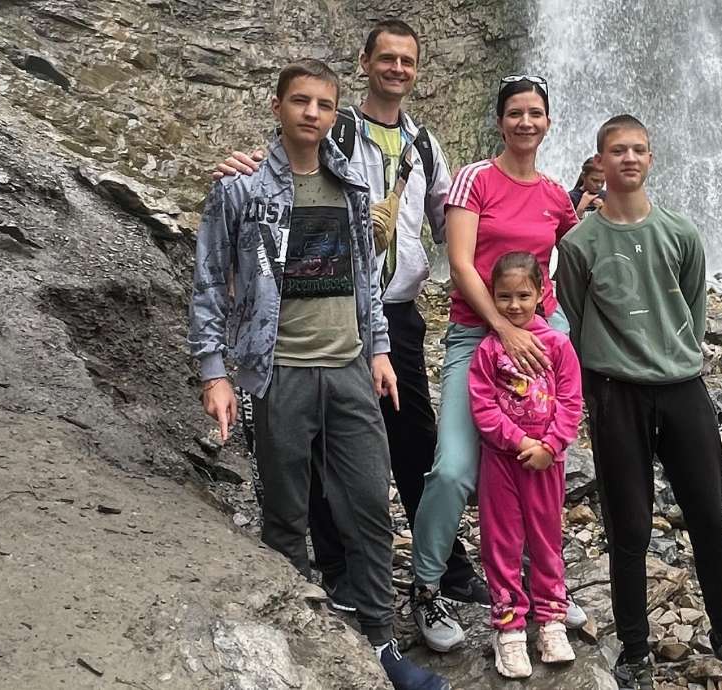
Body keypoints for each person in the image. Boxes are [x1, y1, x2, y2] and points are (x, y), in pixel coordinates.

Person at [188, 58, 448, 690]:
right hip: (278, 372)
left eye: (324, 104)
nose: (312, 113)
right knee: (284, 511)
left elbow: (366, 280)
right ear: (278, 107)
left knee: (369, 507)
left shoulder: (353, 186)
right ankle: (293, 639)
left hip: (350, 367)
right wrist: (214, 371)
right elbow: (209, 284)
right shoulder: (240, 189)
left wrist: (381, 349)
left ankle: (381, 643)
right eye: (300, 101)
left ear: (337, 113)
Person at [214, 20, 489, 611]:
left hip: (394, 315)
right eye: (386, 58)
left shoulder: (426, 145)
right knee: (310, 449)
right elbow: (284, 167)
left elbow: (451, 227)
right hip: (319, 312)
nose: (396, 69)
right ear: (364, 62)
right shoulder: (333, 128)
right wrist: (243, 166)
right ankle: (335, 566)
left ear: (417, 71)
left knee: (414, 440)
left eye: (407, 61)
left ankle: (439, 565)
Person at [555, 114, 722, 689]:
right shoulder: (577, 244)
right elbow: (576, 314)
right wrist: (605, 380)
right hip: (617, 393)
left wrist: (674, 356)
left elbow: (692, 307)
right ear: (601, 162)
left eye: (638, 149)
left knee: (709, 516)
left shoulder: (682, 234)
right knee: (629, 525)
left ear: (651, 158)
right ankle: (635, 650)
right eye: (618, 150)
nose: (629, 159)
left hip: (683, 388)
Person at [409, 75, 587, 652]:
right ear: (500, 120)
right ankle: (426, 586)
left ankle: (546, 591)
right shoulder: (475, 180)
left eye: (536, 113)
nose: (525, 123)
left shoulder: (557, 194)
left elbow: (581, 248)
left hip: (544, 337)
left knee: (542, 462)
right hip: (476, 336)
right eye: (515, 113)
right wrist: (505, 328)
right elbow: (460, 265)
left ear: (549, 122)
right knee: (456, 468)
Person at [468, 252, 583, 678]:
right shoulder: (487, 350)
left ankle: (551, 620)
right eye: (504, 297)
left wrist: (550, 446)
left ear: (540, 294)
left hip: (546, 464)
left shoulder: (557, 344)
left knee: (547, 538)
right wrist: (519, 441)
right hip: (501, 462)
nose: (514, 305)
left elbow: (571, 401)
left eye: (523, 295)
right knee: (502, 543)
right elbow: (482, 407)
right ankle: (509, 629)